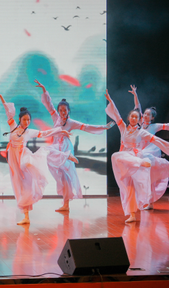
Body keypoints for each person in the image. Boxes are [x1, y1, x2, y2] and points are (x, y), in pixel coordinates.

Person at [0, 88, 72, 225]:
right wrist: (1, 96)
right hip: (13, 158)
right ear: (20, 119)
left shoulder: (30, 132)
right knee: (19, 186)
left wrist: (60, 131)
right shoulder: (13, 126)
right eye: (24, 119)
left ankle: (39, 173)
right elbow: (8, 111)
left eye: (28, 120)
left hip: (23, 155)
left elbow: (45, 133)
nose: (27, 122)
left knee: (27, 165)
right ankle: (26, 217)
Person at [34, 80, 113, 212]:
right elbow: (49, 104)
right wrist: (44, 90)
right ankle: (65, 204)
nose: (62, 112)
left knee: (66, 176)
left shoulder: (71, 122)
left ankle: (66, 204)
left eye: (64, 110)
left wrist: (104, 127)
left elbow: (87, 127)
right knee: (48, 154)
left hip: (65, 147)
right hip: (56, 146)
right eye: (60, 110)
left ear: (68, 110)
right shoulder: (55, 118)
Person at [105, 90, 169, 223]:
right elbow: (116, 115)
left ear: (138, 120)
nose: (134, 119)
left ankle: (140, 164)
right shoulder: (123, 128)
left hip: (135, 157)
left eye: (136, 117)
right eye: (132, 116)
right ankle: (132, 215)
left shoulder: (141, 132)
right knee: (125, 183)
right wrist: (110, 100)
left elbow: (155, 139)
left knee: (130, 182)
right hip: (125, 160)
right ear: (129, 118)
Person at [129, 85, 169, 209]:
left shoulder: (155, 126)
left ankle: (150, 202)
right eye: (144, 114)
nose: (145, 116)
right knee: (141, 177)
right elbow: (138, 107)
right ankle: (143, 200)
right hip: (140, 152)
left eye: (148, 115)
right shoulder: (140, 123)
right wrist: (135, 95)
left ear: (152, 117)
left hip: (151, 152)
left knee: (150, 178)